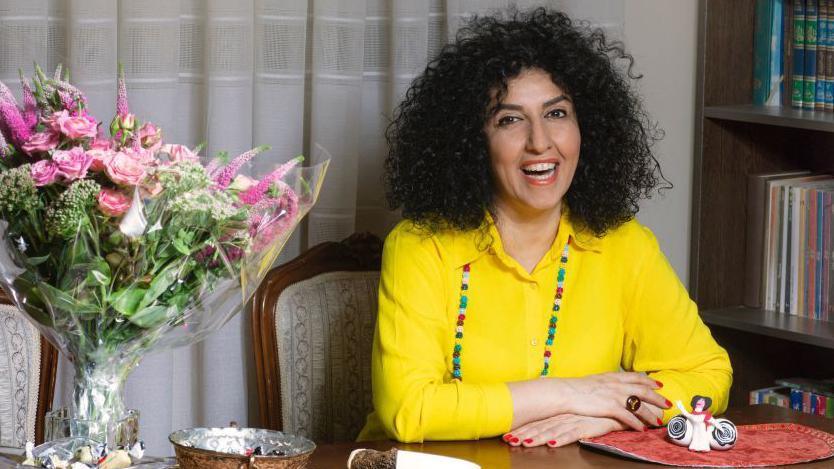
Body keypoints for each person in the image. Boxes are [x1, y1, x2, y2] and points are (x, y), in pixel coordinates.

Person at [357, 8, 732, 447]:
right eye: (509, 119)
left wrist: (612, 415)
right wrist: (575, 393)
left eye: (556, 114)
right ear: (470, 141)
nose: (540, 142)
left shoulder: (625, 245)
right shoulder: (421, 247)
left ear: (585, 126)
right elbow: (410, 410)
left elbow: (708, 374)